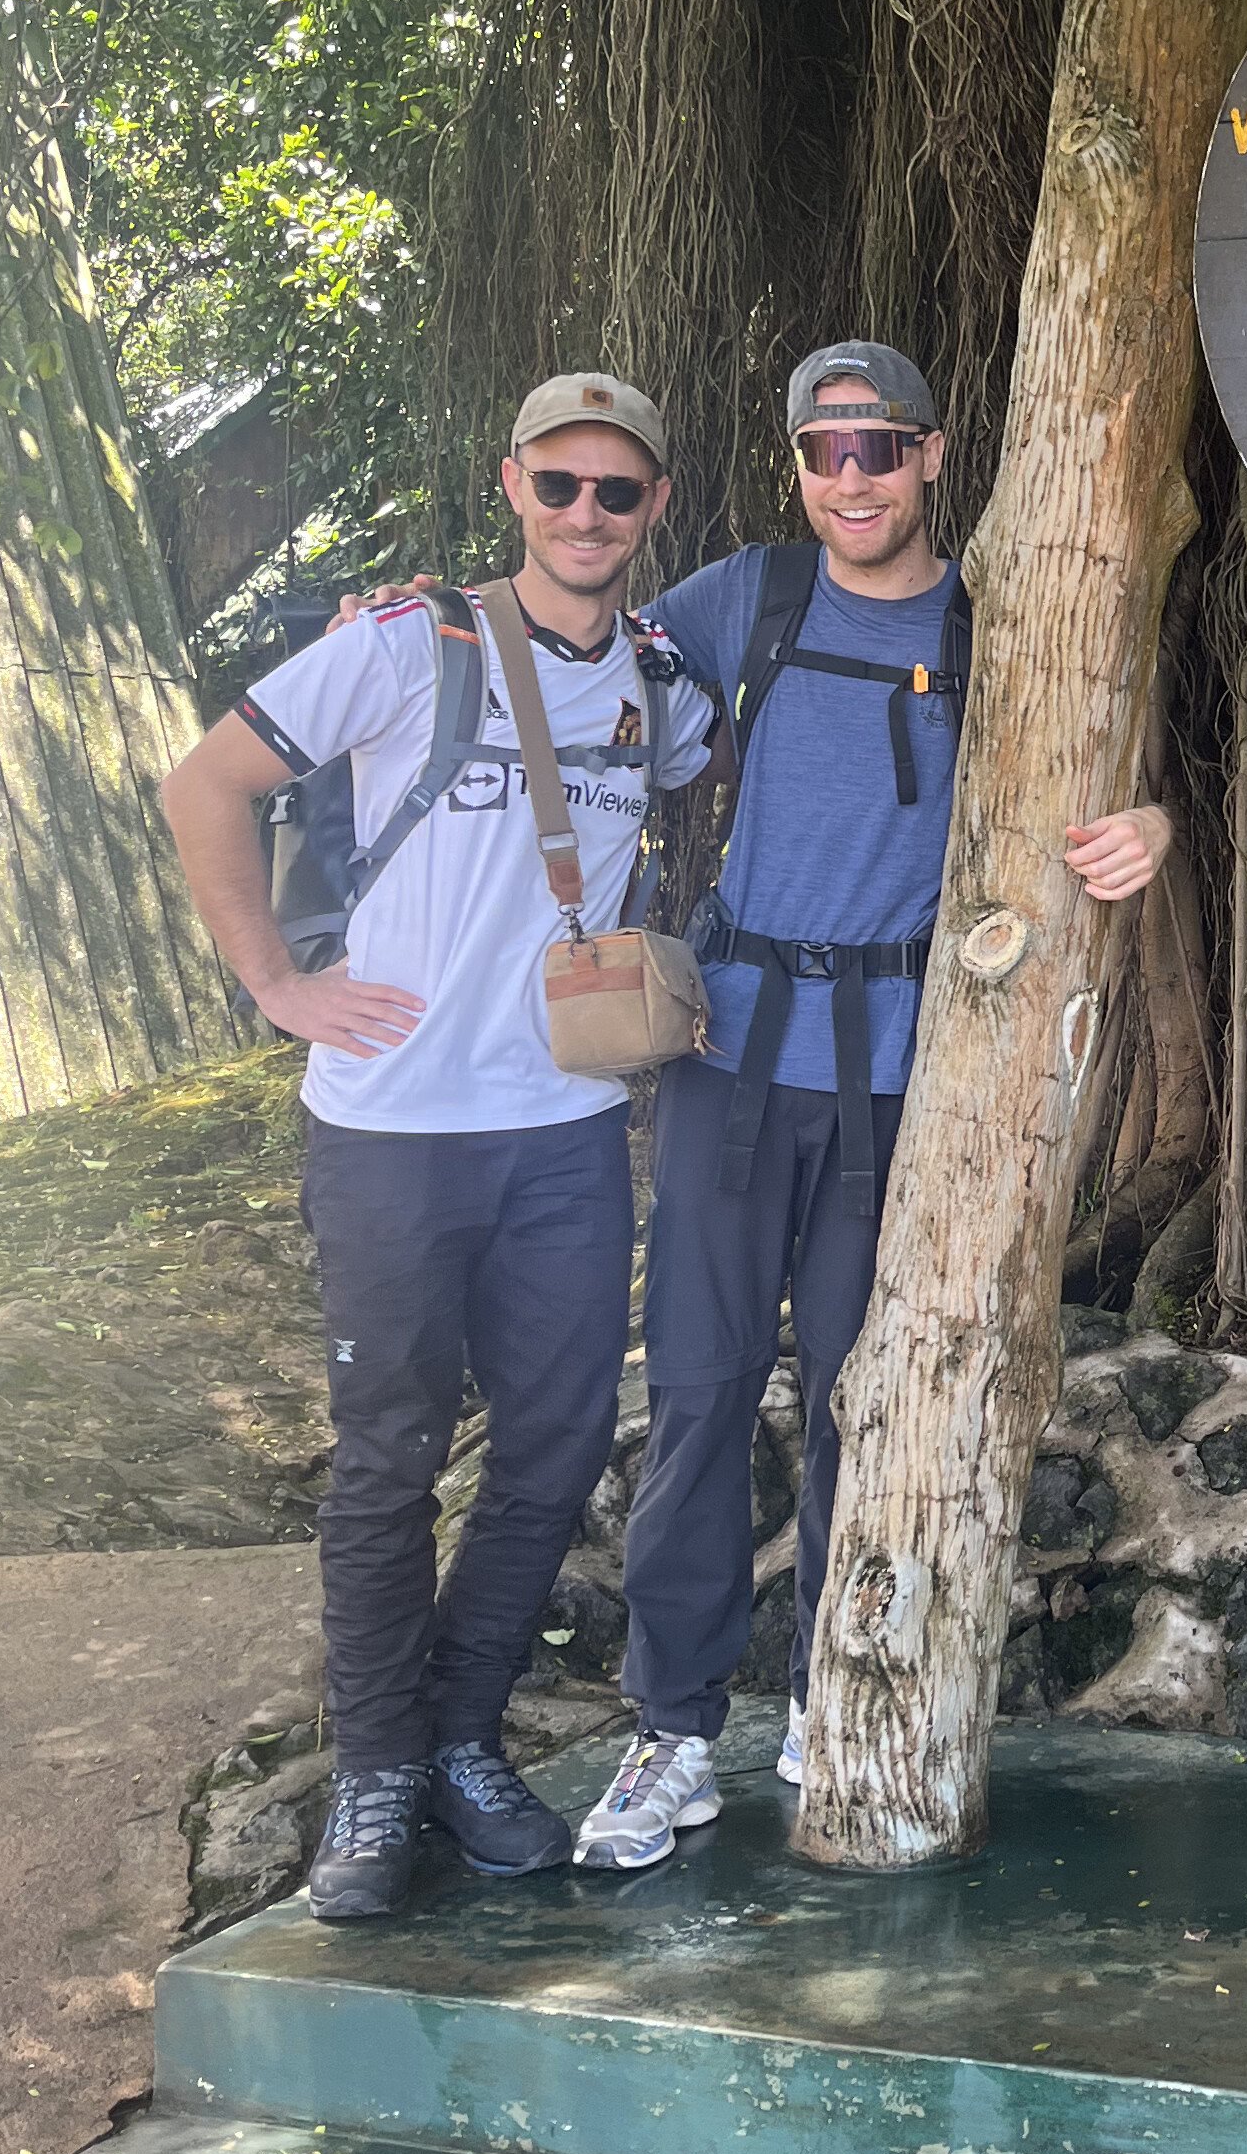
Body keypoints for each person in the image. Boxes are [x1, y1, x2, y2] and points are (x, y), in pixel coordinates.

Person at [573, 341, 1172, 1870]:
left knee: (863, 1399)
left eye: (881, 448)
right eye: (826, 450)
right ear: (795, 466)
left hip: (902, 1078)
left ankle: (826, 1702)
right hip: (725, 1067)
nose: (855, 477)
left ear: (935, 455)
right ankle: (673, 1732)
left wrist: (1150, 820)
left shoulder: (1001, 629)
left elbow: (1103, 772)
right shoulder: (744, 601)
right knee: (701, 1398)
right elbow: (584, 681)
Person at [162, 378, 716, 1918]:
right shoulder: (411, 641)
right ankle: (379, 1771)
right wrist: (277, 983)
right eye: (559, 487)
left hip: (566, 1130)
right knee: (388, 1463)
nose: (587, 516)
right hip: (393, 1129)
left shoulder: (666, 687)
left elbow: (705, 779)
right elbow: (205, 781)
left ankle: (466, 1740)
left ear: (655, 506)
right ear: (512, 484)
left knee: (544, 1454)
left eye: (617, 491)